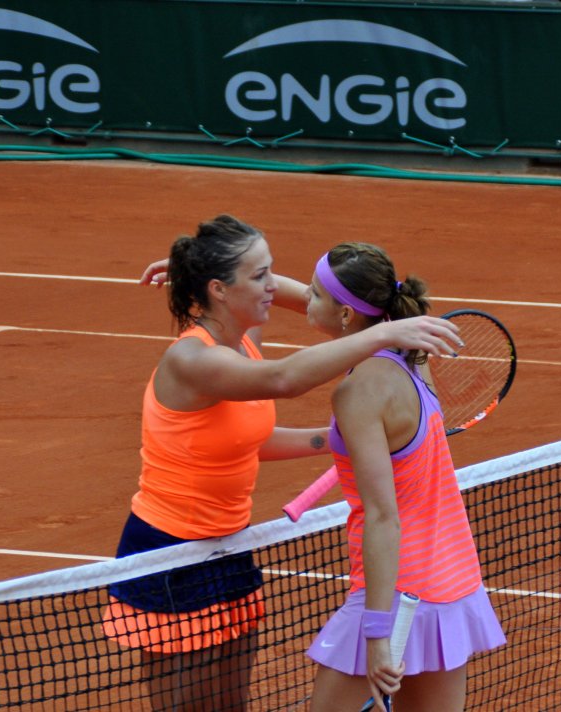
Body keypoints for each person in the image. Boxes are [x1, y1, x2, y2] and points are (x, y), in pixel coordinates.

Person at [99, 216, 462, 712]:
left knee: (230, 706)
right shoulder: (192, 360)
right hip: (172, 555)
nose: (275, 286)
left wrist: (341, 439)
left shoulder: (242, 339)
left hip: (229, 547)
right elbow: (284, 380)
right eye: (260, 276)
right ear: (219, 290)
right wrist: (384, 334)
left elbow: (250, 434)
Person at [304, 243, 506, 712]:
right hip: (451, 582)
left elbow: (383, 516)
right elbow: (341, 315)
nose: (303, 300)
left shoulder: (357, 392)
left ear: (347, 314)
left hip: (395, 591)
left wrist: (377, 634)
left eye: (313, 293)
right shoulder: (414, 354)